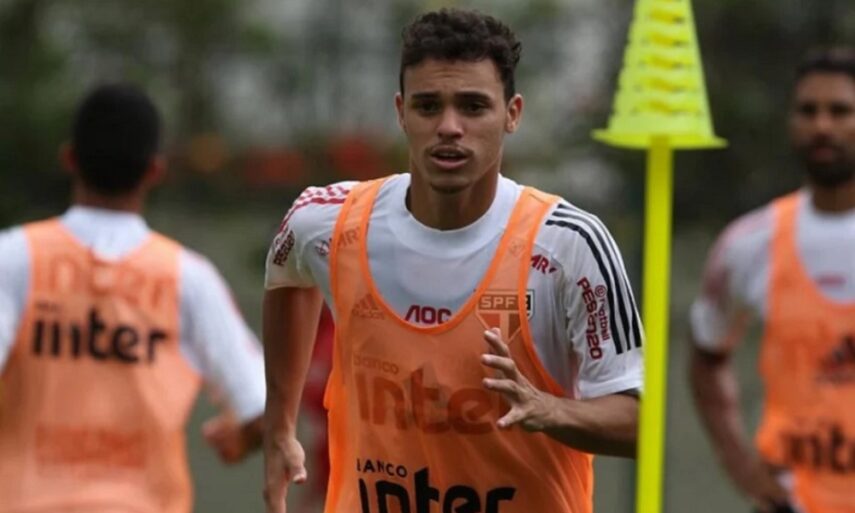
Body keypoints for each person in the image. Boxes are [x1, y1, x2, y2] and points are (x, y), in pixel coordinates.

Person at [263, 8, 643, 513]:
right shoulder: (327, 221)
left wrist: (550, 410)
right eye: (427, 106)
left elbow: (640, 423)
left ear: (512, 114)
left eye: (473, 106)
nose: (449, 127)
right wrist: (279, 425)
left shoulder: (566, 245)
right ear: (401, 112)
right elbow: (287, 276)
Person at [0, 83, 267, 513]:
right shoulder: (187, 277)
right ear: (154, 170)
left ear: (69, 159)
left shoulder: (15, 258)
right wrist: (244, 438)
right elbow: (263, 408)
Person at [689, 48, 855, 513]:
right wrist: (740, 463)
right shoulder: (750, 243)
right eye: (808, 111)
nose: (822, 125)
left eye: (840, 111)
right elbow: (706, 356)